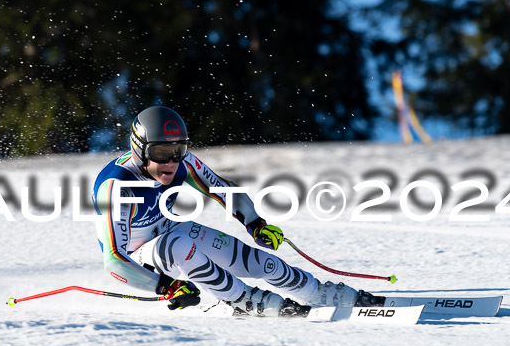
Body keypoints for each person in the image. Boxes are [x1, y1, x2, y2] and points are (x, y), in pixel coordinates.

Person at [92, 106, 383, 317]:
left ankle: (318, 292)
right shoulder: (117, 187)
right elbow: (114, 261)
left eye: (177, 151)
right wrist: (166, 286)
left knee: (261, 261)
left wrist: (256, 224)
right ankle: (243, 299)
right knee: (178, 245)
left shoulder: (183, 163)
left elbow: (222, 188)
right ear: (140, 149)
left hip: (169, 232)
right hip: (141, 261)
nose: (170, 163)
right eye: (160, 154)